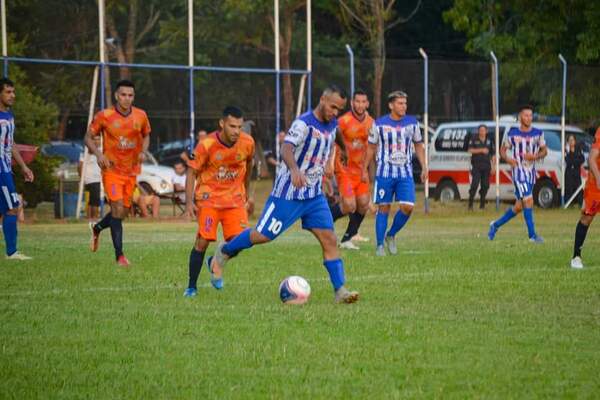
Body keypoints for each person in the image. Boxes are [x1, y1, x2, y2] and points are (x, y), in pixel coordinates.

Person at [207, 85, 359, 304]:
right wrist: (295, 170)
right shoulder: (303, 123)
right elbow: (286, 148)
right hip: (288, 194)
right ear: (323, 99)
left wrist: (342, 149)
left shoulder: (333, 122)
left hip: (314, 196)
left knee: (330, 239)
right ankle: (224, 252)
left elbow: (336, 133)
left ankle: (340, 290)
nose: (335, 112)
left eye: (340, 109)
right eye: (333, 106)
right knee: (263, 235)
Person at [183, 106, 255, 297]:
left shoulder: (247, 142)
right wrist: (189, 202)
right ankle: (191, 287)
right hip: (209, 199)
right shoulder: (206, 145)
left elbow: (249, 166)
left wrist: (246, 193)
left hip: (235, 200)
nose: (236, 131)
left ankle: (214, 262)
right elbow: (191, 172)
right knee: (203, 240)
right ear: (222, 124)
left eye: (240, 127)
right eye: (232, 126)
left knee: (241, 241)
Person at [85, 79, 151, 266]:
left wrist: (143, 151)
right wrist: (98, 154)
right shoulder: (104, 115)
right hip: (111, 170)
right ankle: (120, 256)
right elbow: (88, 137)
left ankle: (97, 227)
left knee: (123, 212)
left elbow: (146, 135)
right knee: (117, 208)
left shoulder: (141, 116)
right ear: (116, 95)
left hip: (131, 170)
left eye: (130, 95)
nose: (126, 99)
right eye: (123, 95)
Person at [363, 90, 427, 257]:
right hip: (384, 173)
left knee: (408, 207)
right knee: (383, 208)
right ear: (391, 105)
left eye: (405, 103)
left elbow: (419, 145)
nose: (403, 106)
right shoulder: (379, 124)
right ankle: (379, 246)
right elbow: (370, 147)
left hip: (405, 173)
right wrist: (363, 169)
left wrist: (424, 166)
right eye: (400, 103)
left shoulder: (412, 123)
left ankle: (391, 235)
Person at [488, 105, 546, 243]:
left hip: (531, 172)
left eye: (531, 115)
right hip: (518, 172)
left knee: (519, 206)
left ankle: (495, 225)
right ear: (520, 117)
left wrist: (535, 156)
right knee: (528, 200)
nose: (529, 118)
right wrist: (508, 159)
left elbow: (544, 151)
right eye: (526, 115)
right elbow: (502, 151)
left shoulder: (538, 133)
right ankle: (532, 236)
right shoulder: (513, 133)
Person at [328, 89, 374, 250]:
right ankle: (325, 219)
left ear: (367, 103)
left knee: (363, 203)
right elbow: (332, 143)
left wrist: (368, 170)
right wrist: (330, 164)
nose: (360, 105)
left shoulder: (371, 123)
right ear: (352, 103)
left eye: (363, 102)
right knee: (349, 205)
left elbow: (372, 149)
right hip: (344, 169)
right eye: (357, 101)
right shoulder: (343, 121)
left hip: (360, 171)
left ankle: (347, 238)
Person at [0, 78, 34, 260]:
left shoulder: (9, 116)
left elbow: (11, 144)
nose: (12, 95)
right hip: (0, 170)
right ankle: (12, 252)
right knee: (13, 207)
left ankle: (12, 251)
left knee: (8, 208)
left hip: (6, 169)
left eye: (13, 92)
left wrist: (23, 166)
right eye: (8, 92)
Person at [570, 127, 600, 269]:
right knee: (586, 218)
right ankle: (576, 257)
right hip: (596, 183)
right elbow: (592, 158)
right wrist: (599, 179)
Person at [467, 124, 496, 210]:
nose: (482, 132)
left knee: (485, 186)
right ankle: (470, 204)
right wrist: (481, 150)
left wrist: (493, 166)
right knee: (474, 185)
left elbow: (493, 155)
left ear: (486, 131)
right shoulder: (474, 139)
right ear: (478, 131)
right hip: (476, 166)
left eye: (483, 130)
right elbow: (469, 150)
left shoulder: (489, 141)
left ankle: (482, 205)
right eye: (480, 130)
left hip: (487, 166)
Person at [78, 135, 102, 220]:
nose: (97, 142)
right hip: (91, 179)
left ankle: (89, 217)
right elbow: (80, 166)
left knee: (92, 200)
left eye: (98, 140)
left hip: (98, 179)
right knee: (95, 201)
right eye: (95, 140)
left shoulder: (101, 150)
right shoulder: (85, 151)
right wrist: (82, 179)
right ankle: (94, 218)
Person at [565, 134, 584, 206]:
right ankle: (569, 205)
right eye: (569, 140)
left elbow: (582, 159)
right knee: (569, 188)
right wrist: (575, 161)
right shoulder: (566, 150)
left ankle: (580, 204)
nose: (571, 142)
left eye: (572, 140)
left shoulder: (579, 149)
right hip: (569, 172)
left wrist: (574, 162)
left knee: (578, 188)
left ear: (575, 141)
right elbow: (568, 161)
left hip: (577, 172)